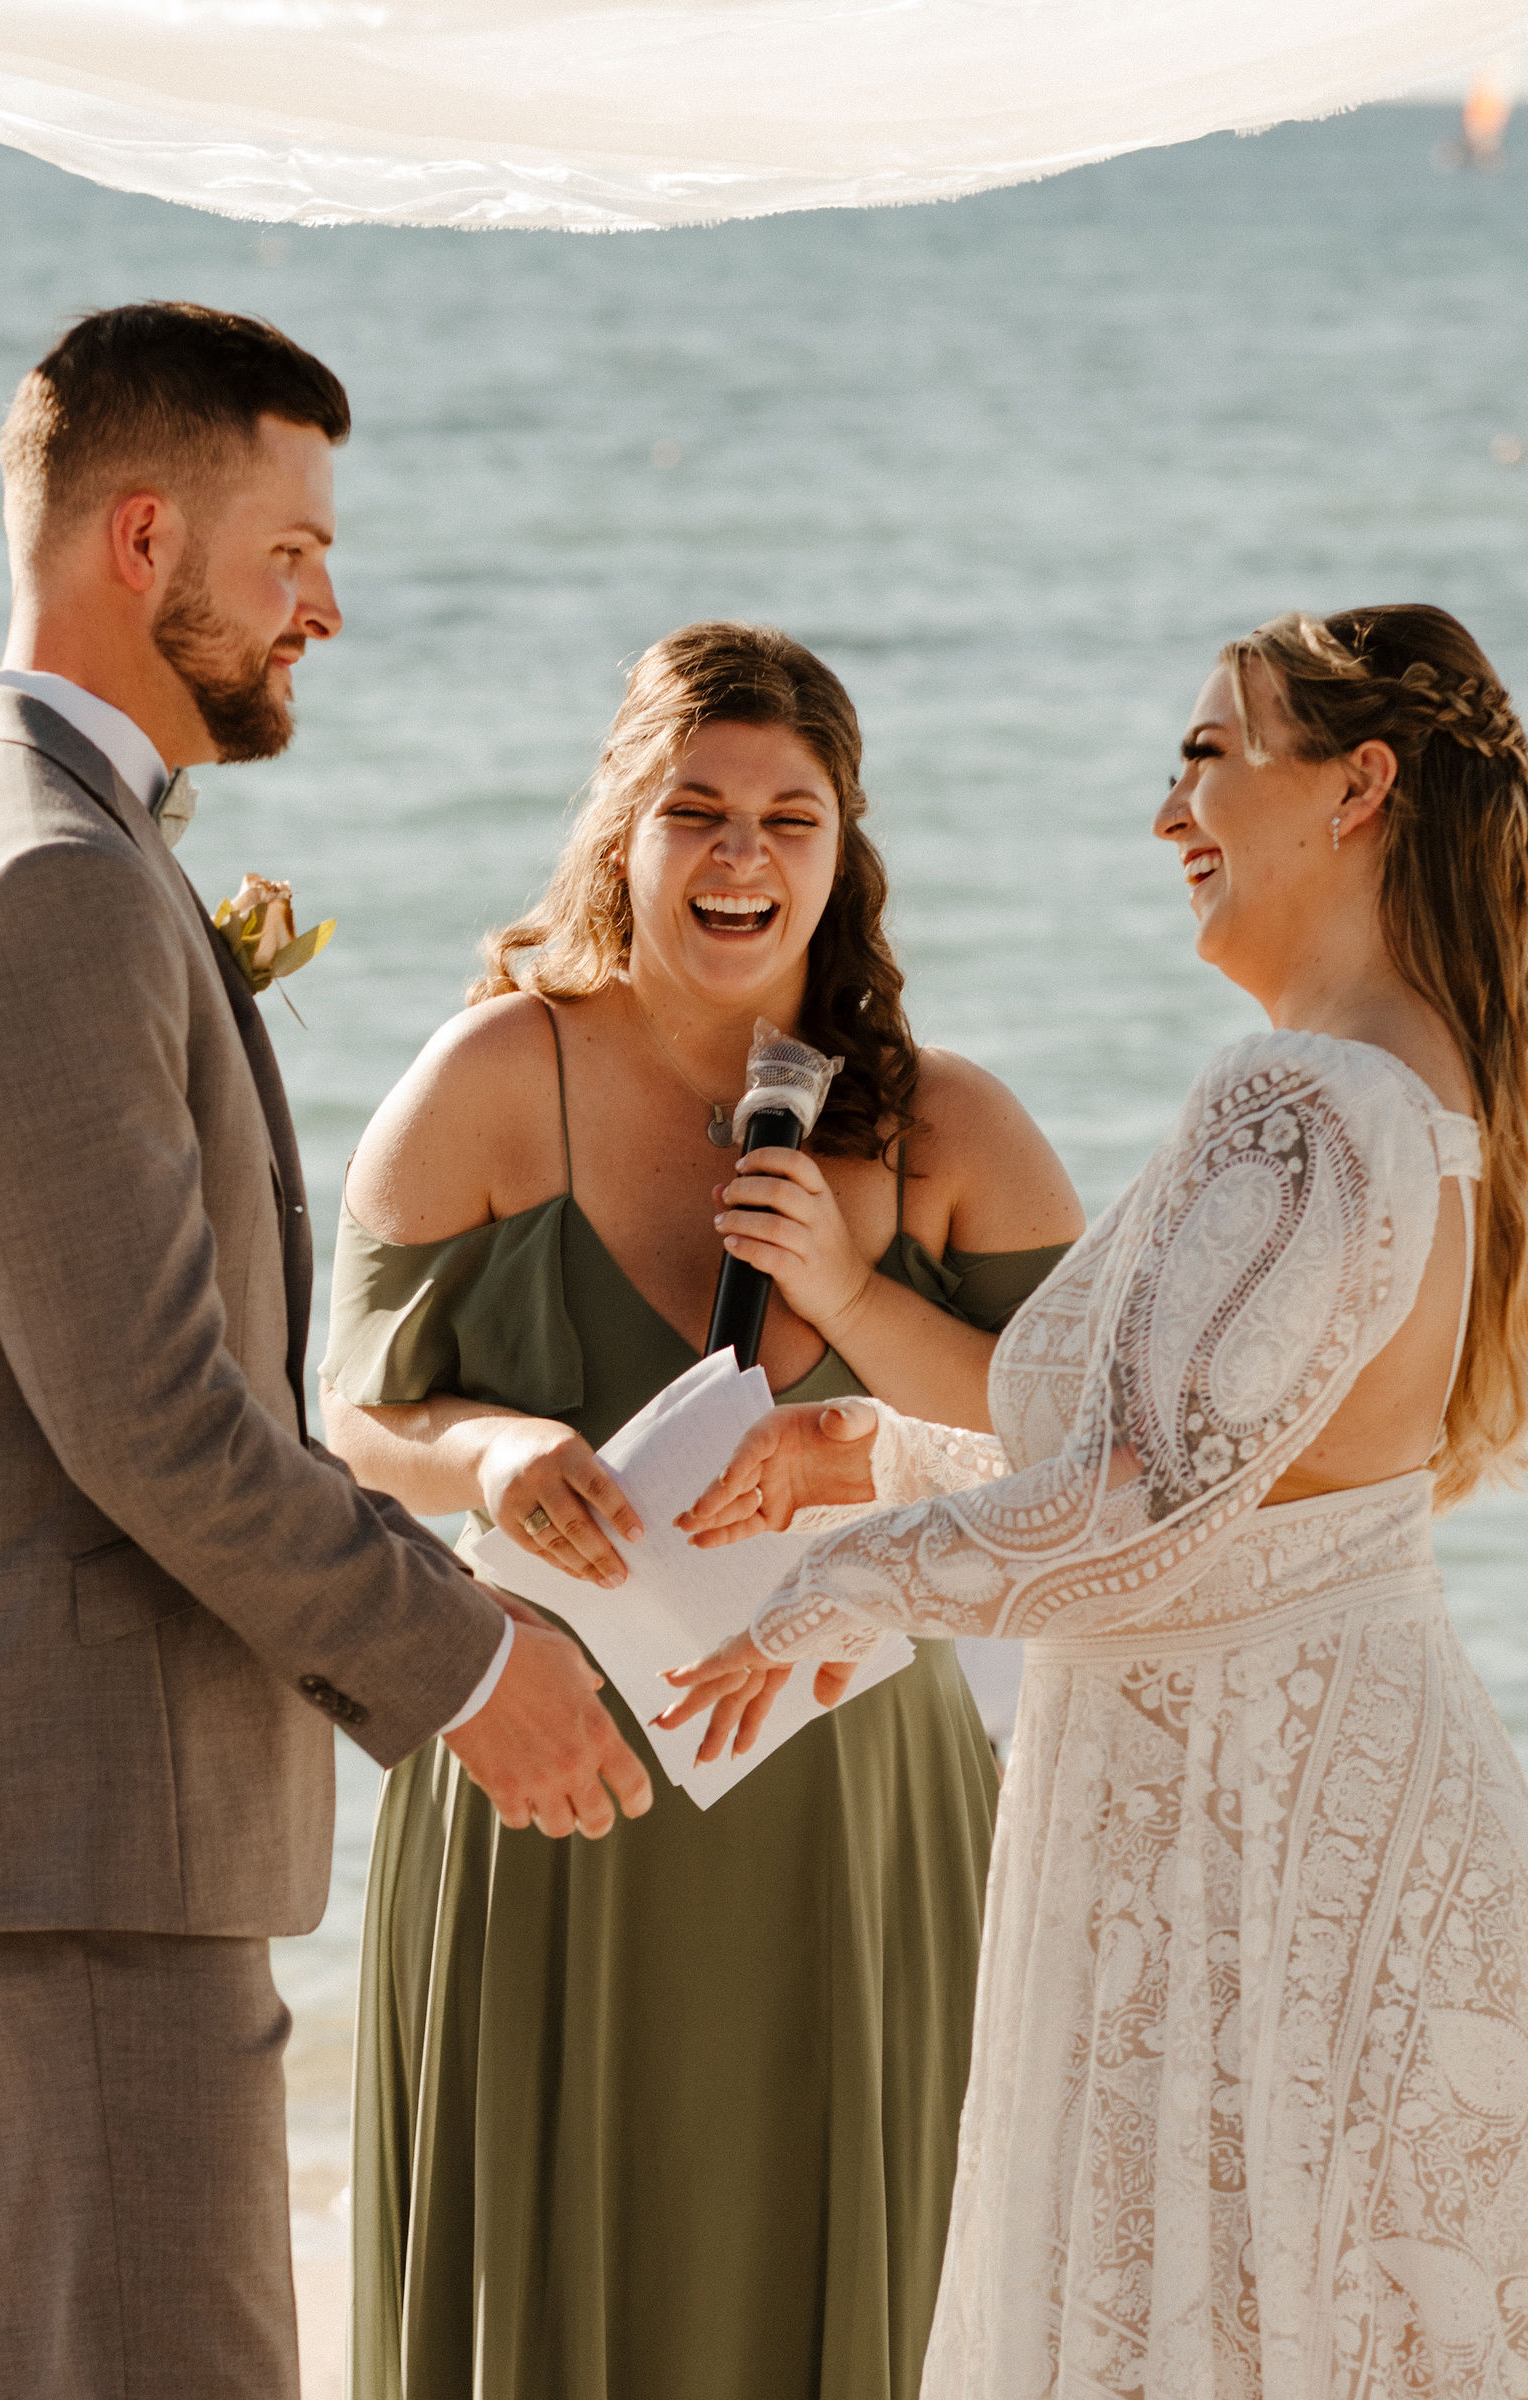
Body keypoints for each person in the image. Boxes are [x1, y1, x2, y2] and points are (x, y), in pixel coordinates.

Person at [0, 302, 650, 2400]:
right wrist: (469, 1662)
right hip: (69, 1829)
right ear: (142, 542)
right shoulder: (49, 882)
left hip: (37, 1806)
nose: (329, 603)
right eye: (293, 549)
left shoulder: (39, 838)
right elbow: (150, 1416)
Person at [665, 610, 1528, 2399]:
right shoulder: (1419, 1097)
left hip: (1259, 1850)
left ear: (1357, 789)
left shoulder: (1304, 1104)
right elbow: (1217, 1487)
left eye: (1209, 754)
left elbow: (1139, 1511)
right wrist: (888, 1453)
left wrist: (838, 1587)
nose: (1170, 810)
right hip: (1311, 1812)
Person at [322, 621, 1088, 2400]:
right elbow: (350, 1419)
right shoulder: (495, 1078)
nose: (743, 856)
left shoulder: (948, 1129)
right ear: (623, 832)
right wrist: (495, 1451)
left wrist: (866, 1295)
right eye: (698, 810)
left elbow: (1093, 1448)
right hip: (552, 1773)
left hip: (856, 1803)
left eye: (789, 817)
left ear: (844, 852)